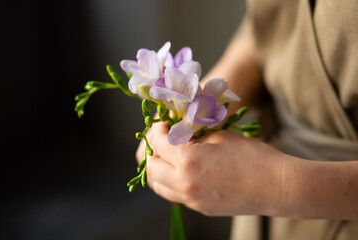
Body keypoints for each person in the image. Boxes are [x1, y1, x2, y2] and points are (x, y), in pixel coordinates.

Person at [136, 0, 358, 239]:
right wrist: (205, 99)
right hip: (258, 206)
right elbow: (273, 23)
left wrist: (276, 185)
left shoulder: (266, 187)